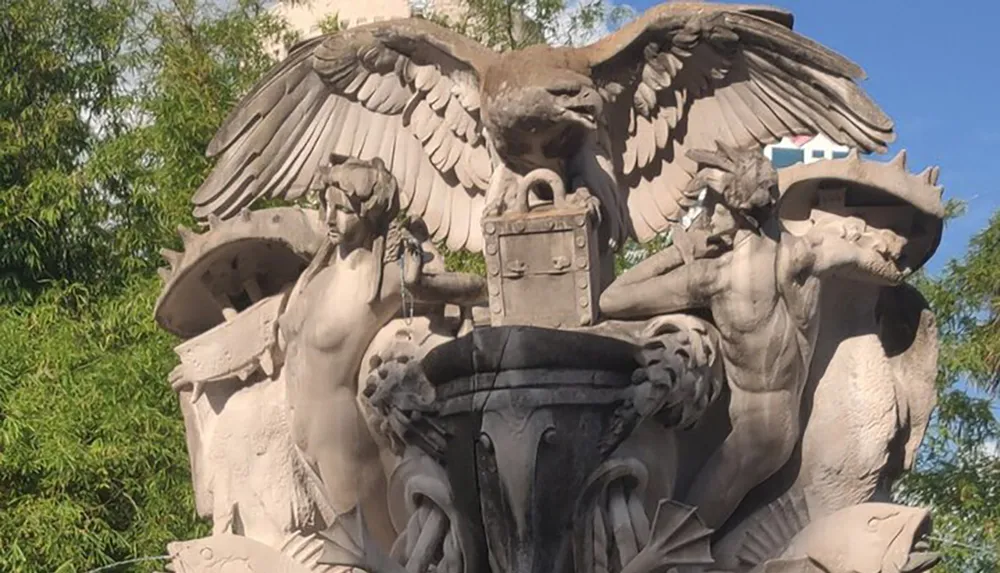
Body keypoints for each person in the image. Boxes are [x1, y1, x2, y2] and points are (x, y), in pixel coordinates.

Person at [600, 148, 909, 529]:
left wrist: (678, 253)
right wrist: (889, 253)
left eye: (714, 207)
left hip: (752, 437)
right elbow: (884, 268)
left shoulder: (713, 278)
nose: (710, 217)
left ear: (737, 211)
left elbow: (612, 299)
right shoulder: (807, 254)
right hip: (781, 426)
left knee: (677, 537)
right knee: (685, 535)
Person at [278, 157, 486, 546]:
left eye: (342, 209)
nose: (329, 218)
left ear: (370, 213)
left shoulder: (385, 282)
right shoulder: (317, 277)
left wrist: (418, 278)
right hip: (299, 440)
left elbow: (476, 287)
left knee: (375, 551)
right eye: (327, 206)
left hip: (340, 438)